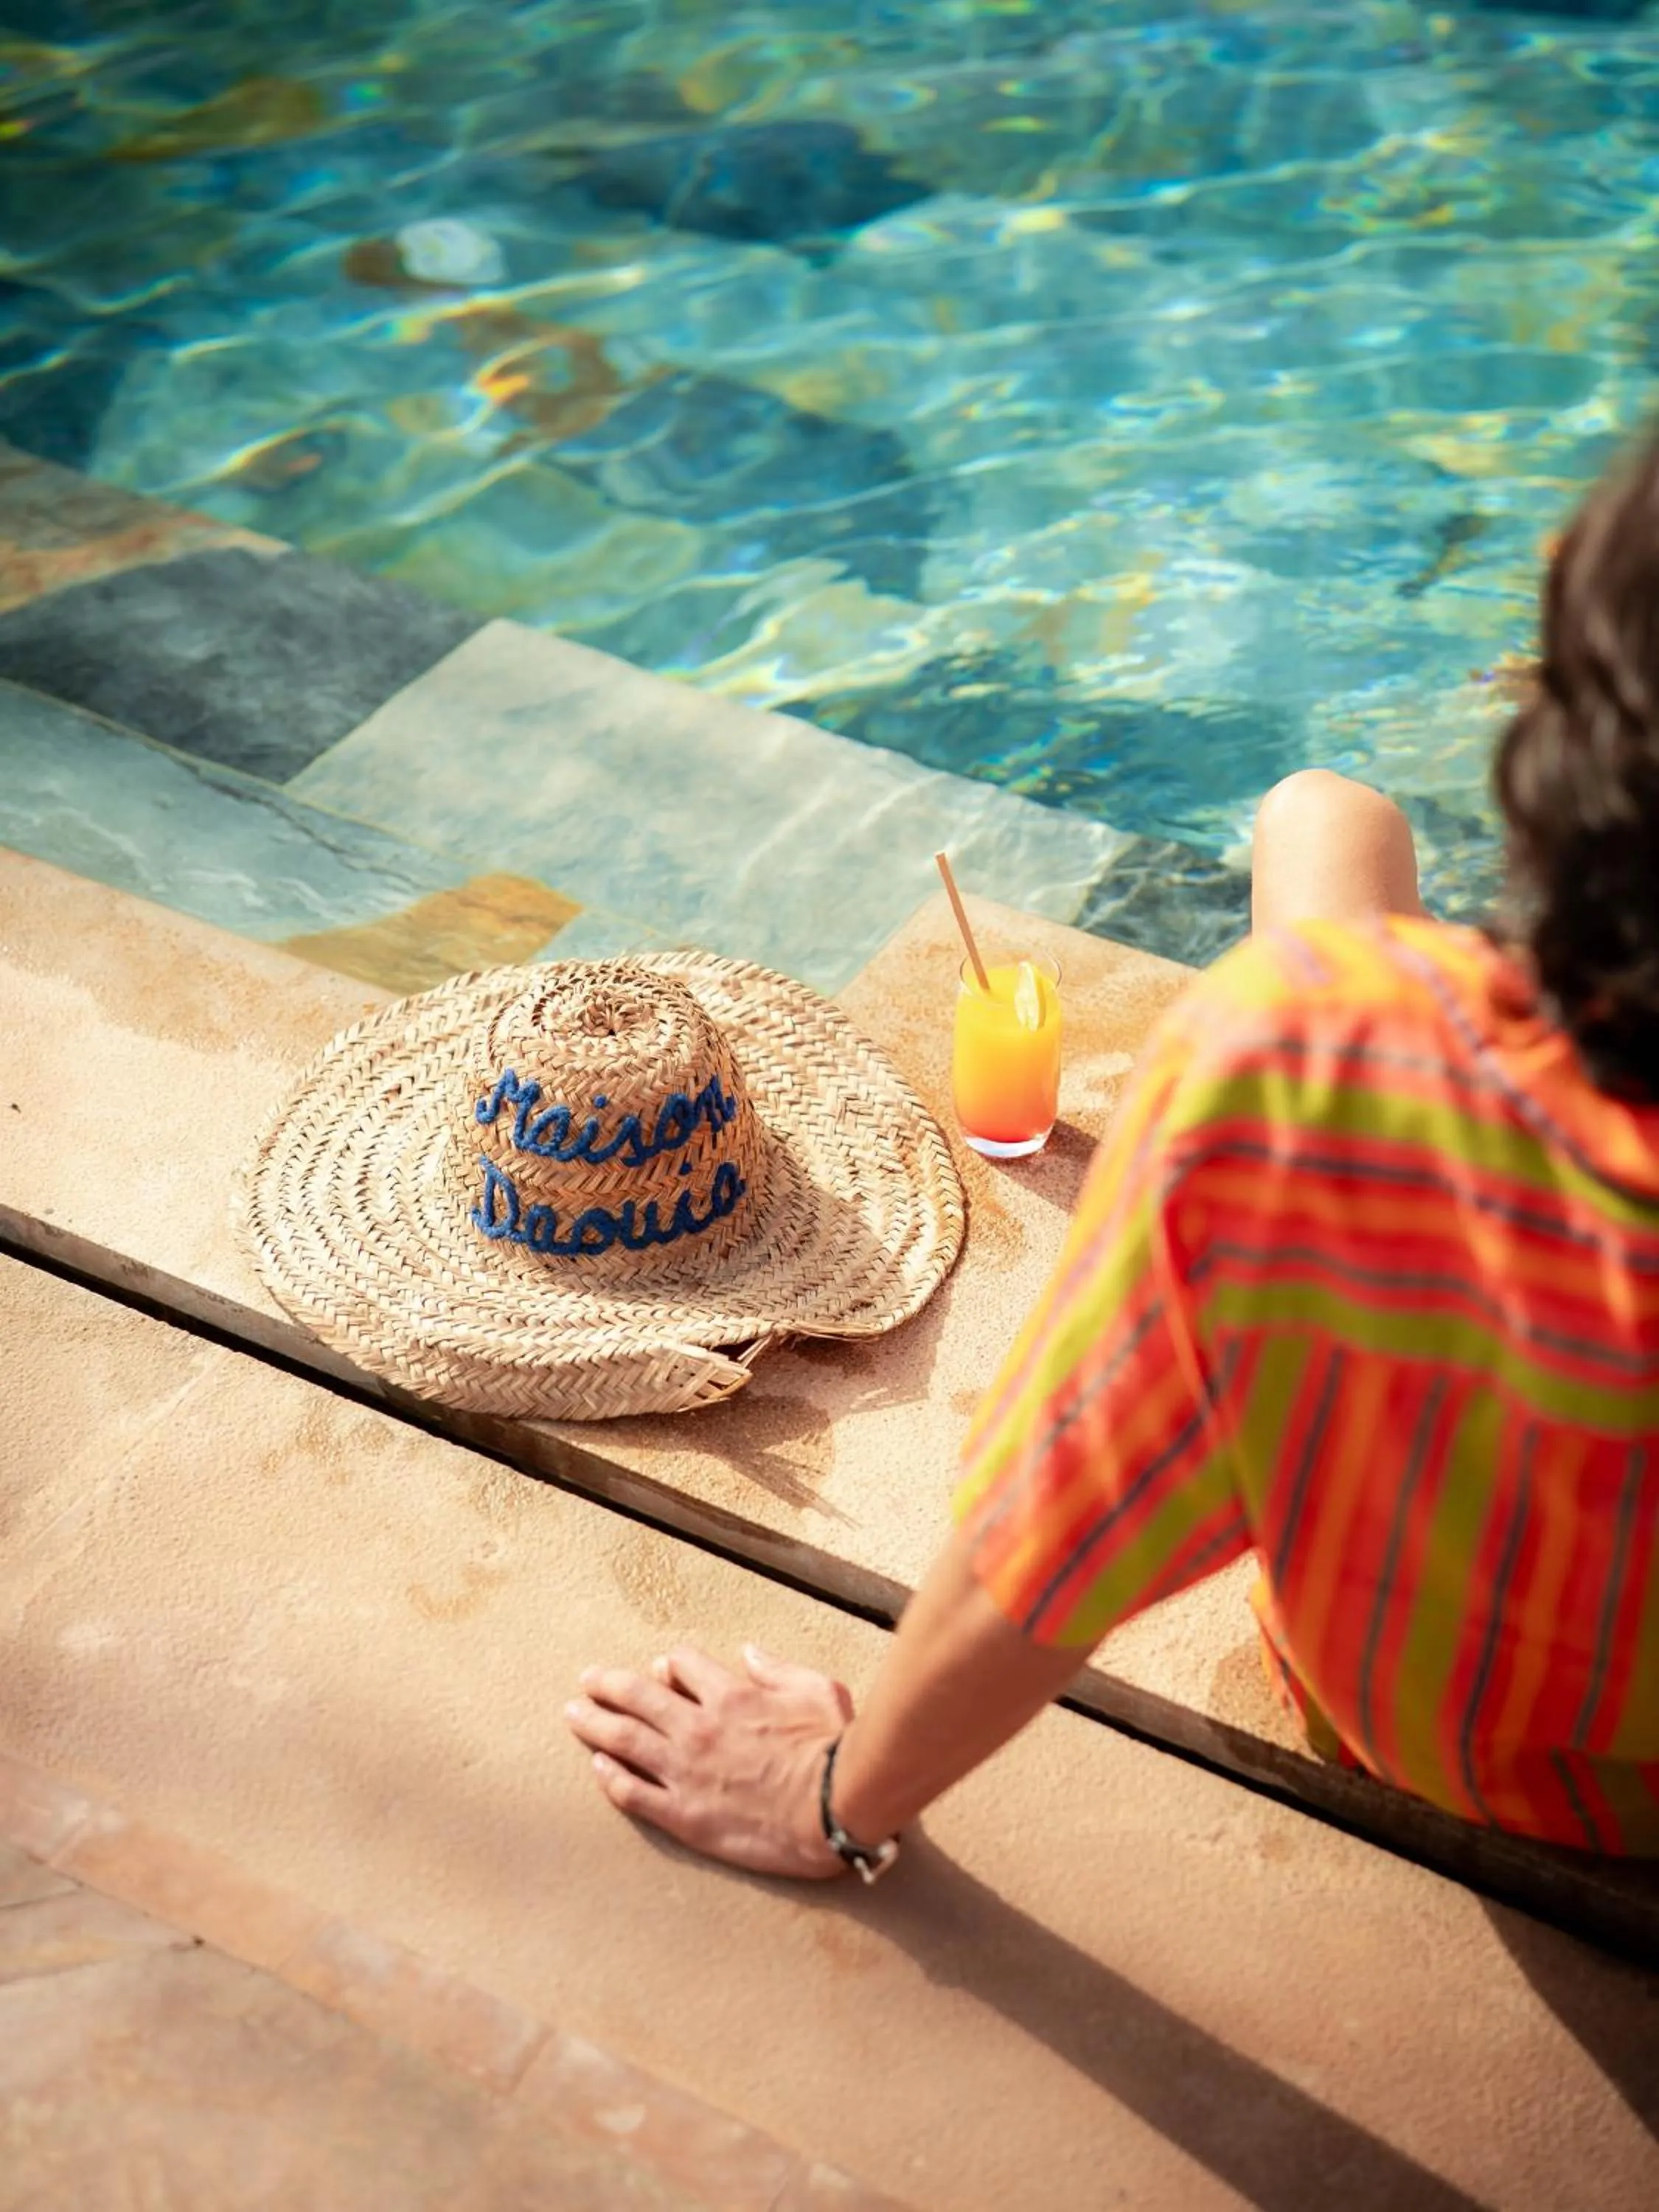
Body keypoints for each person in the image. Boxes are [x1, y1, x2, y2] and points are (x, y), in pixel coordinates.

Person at [564, 439, 1659, 1877]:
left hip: (1435, 1729)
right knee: (1327, 817)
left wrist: (831, 1796)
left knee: (1317, 838)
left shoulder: (1303, 1063)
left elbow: (1066, 1517)